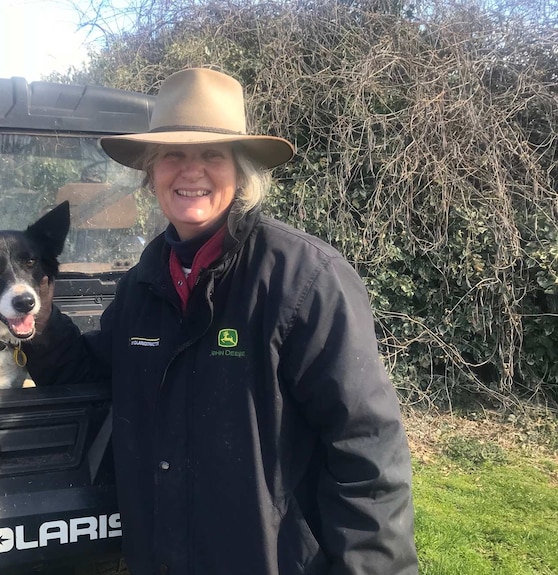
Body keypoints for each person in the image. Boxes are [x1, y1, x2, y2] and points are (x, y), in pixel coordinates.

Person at [26, 68, 418, 574]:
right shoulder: (144, 280)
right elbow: (94, 373)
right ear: (150, 173)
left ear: (241, 171)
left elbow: (367, 450)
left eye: (212, 154)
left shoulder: (305, 278)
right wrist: (26, 307)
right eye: (173, 155)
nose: (191, 171)